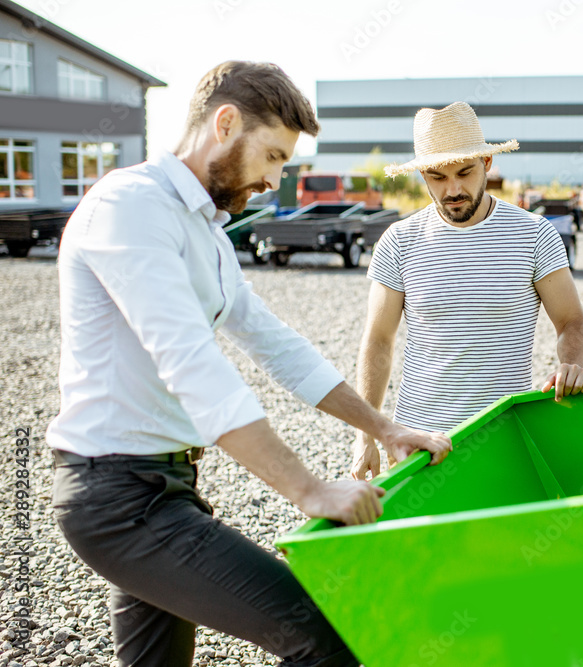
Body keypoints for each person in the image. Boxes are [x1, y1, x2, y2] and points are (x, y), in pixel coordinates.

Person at [46, 61, 451, 667]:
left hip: (166, 488)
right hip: (117, 499)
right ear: (226, 122)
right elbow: (191, 363)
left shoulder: (205, 231)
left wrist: (383, 426)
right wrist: (308, 491)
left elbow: (276, 344)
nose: (275, 179)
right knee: (323, 634)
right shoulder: (129, 207)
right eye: (272, 156)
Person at [351, 101, 583, 480]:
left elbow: (572, 322)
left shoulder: (533, 235)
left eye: (464, 172)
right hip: (417, 441)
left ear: (487, 164)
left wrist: (573, 365)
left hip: (503, 437)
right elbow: (378, 340)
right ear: (421, 177)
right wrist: (365, 433)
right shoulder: (399, 241)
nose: (453, 189)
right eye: (437, 177)